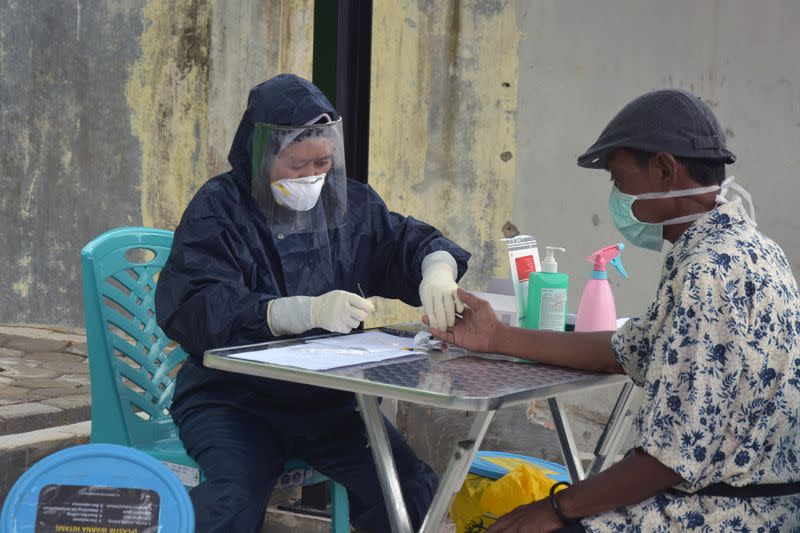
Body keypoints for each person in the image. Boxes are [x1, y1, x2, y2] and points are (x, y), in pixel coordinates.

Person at [428, 89, 800, 532]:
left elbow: (668, 459)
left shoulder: (709, 273)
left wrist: (553, 509)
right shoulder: (748, 246)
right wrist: (497, 338)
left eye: (619, 178)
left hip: (718, 516)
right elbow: (627, 349)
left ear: (665, 169)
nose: (616, 195)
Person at [155, 74, 471, 533]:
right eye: (297, 166)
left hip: (327, 403)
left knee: (406, 488)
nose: (312, 178)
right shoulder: (218, 208)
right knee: (231, 501)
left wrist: (437, 270)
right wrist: (297, 312)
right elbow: (194, 306)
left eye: (322, 164)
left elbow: (404, 241)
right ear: (261, 157)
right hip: (232, 400)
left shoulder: (349, 204)